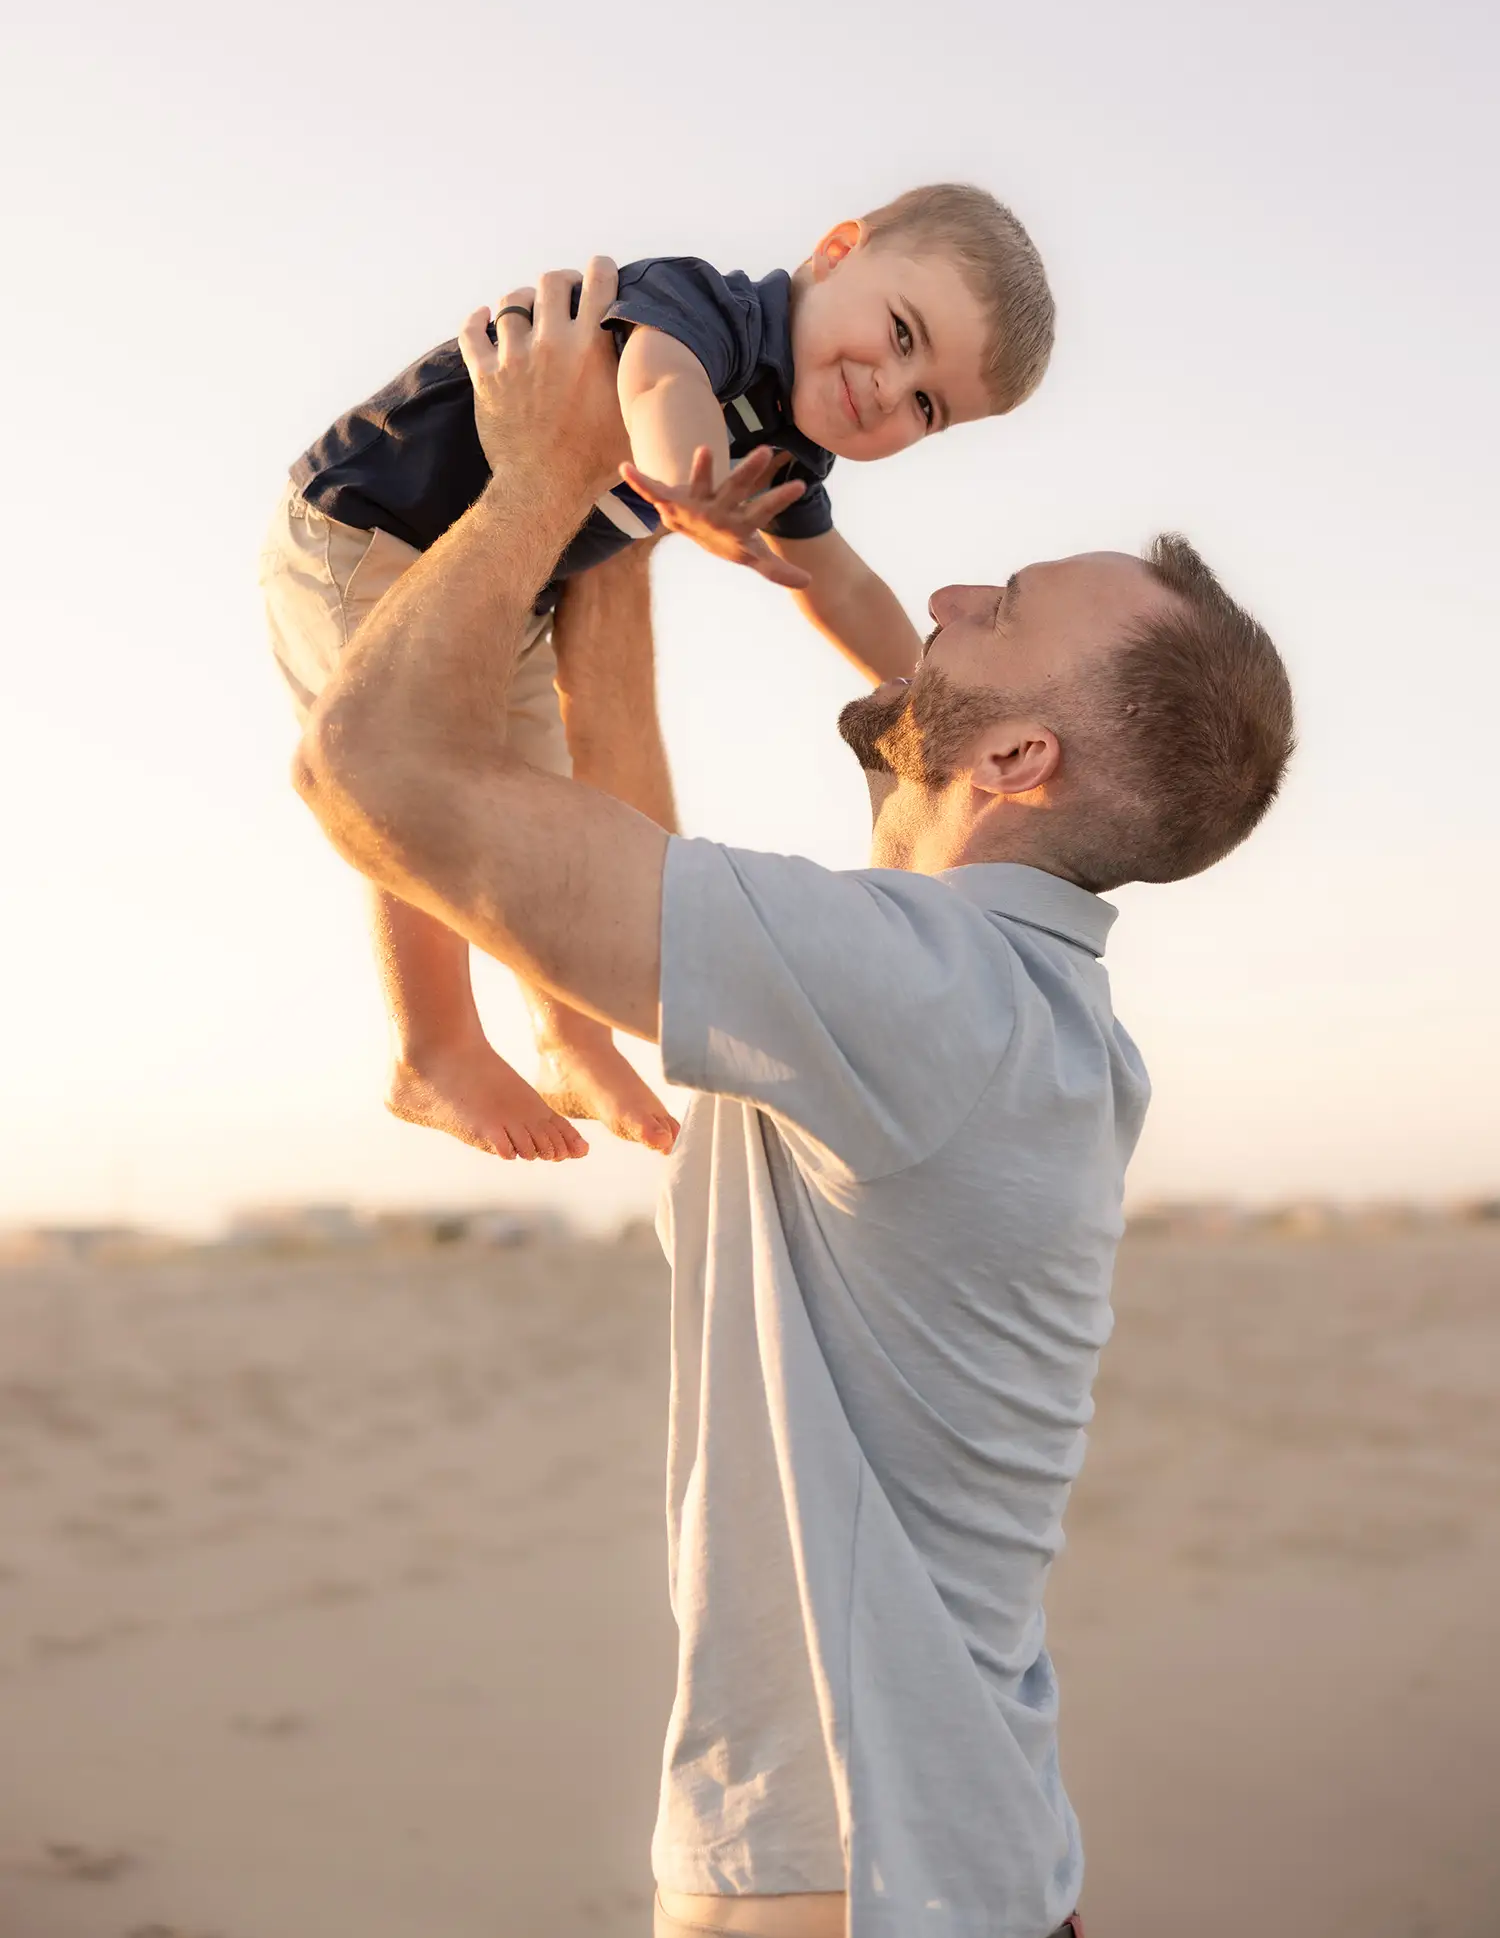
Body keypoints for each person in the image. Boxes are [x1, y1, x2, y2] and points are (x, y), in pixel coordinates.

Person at [292, 264, 1295, 1938]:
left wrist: (534, 475)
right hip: (953, 1854)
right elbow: (630, 836)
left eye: (1002, 609)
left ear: (1013, 764)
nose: (949, 587)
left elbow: (368, 772)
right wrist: (608, 540)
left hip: (857, 1872)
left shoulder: (923, 991)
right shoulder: (1010, 1009)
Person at [262, 184, 1054, 1165]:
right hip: (369, 524)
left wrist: (936, 693)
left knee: (524, 796)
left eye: (926, 405)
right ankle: (433, 1047)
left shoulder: (791, 446)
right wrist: (690, 482)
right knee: (408, 769)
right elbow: (653, 380)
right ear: (839, 250)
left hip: (505, 586)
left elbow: (837, 580)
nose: (890, 388)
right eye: (899, 333)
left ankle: (568, 1037)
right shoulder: (711, 309)